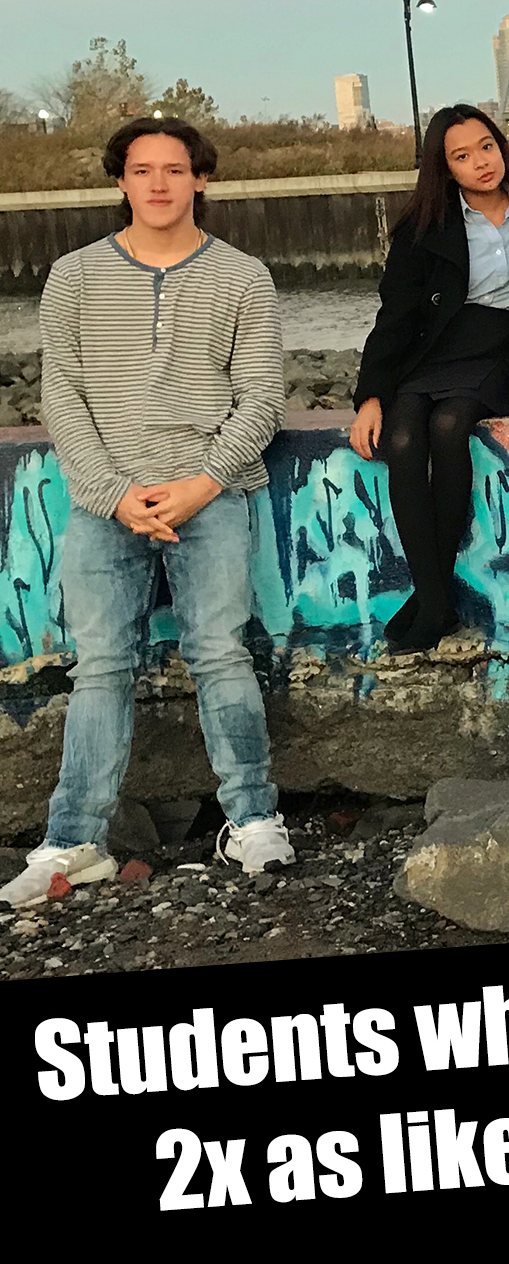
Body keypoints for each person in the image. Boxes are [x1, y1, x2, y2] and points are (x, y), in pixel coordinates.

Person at [3, 119, 292, 908]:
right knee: (100, 666)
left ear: (201, 179)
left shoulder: (242, 277)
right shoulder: (73, 277)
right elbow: (64, 398)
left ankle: (254, 820)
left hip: (212, 493)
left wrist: (201, 483)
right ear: (121, 181)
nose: (159, 183)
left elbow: (261, 399)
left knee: (221, 652)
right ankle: (74, 839)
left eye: (175, 170)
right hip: (108, 502)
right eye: (142, 170)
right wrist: (114, 494)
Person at [348, 107, 509, 652]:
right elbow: (394, 318)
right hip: (434, 350)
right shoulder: (424, 228)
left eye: (486, 147)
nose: (480, 163)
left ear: (501, 147)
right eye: (461, 156)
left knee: (450, 423)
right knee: (404, 436)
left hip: (504, 348)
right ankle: (435, 597)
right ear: (444, 167)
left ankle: (431, 600)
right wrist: (370, 396)